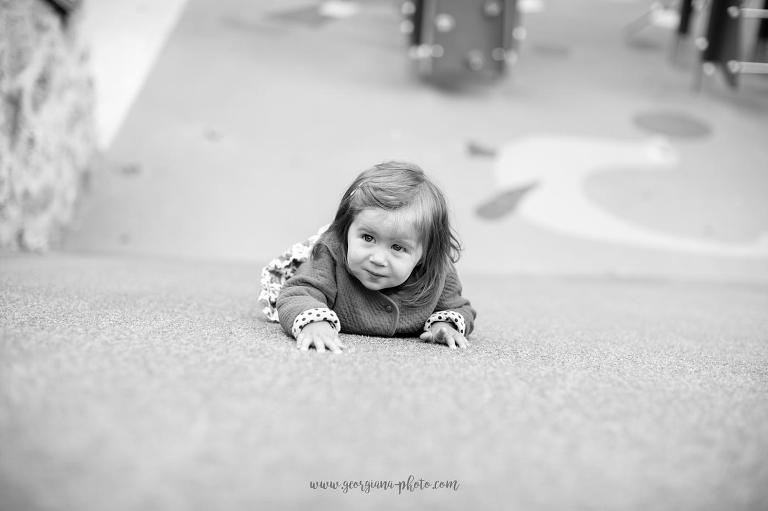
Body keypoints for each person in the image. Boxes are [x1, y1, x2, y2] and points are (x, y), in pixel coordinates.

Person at [266, 161, 476, 353]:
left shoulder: (437, 270)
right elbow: (297, 293)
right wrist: (314, 323)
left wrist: (445, 325)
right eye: (368, 237)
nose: (377, 258)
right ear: (346, 229)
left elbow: (458, 306)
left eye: (397, 247)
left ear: (424, 255)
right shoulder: (330, 254)